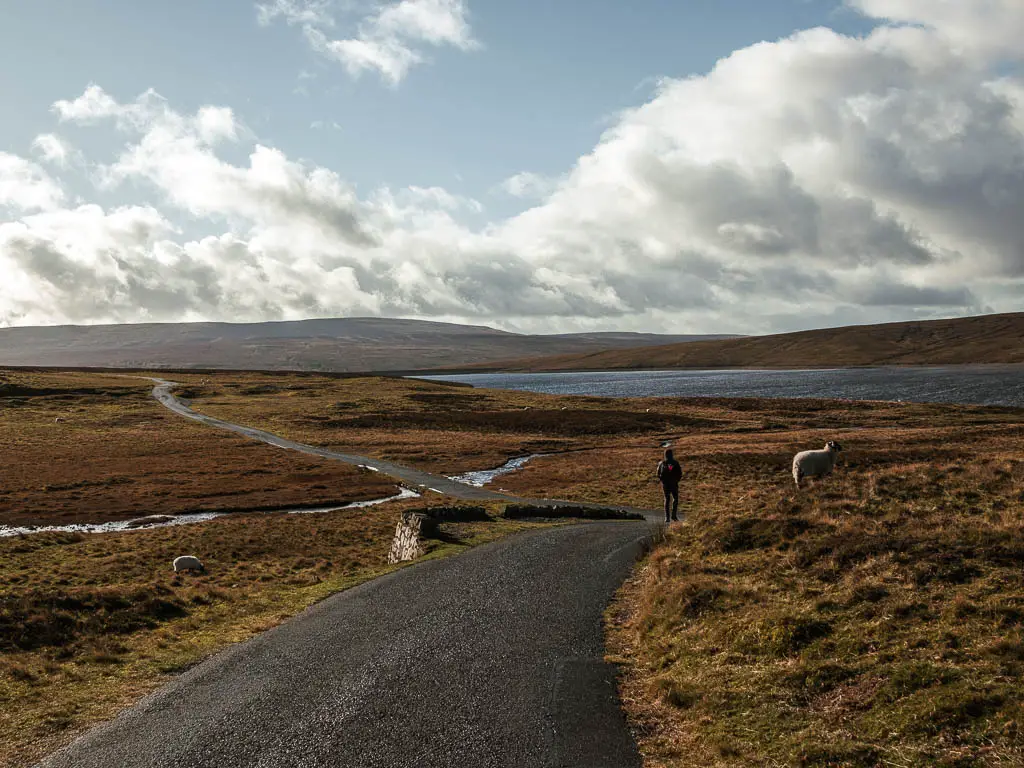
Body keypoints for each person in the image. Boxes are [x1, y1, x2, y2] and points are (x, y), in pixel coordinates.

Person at [656, 448, 683, 523]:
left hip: (666, 484)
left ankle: (667, 517)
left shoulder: (661, 463)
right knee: (675, 499)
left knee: (667, 500)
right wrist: (676, 480)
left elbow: (658, 474)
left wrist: (662, 481)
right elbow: (680, 473)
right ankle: (673, 516)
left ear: (665, 455)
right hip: (674, 484)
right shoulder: (675, 463)